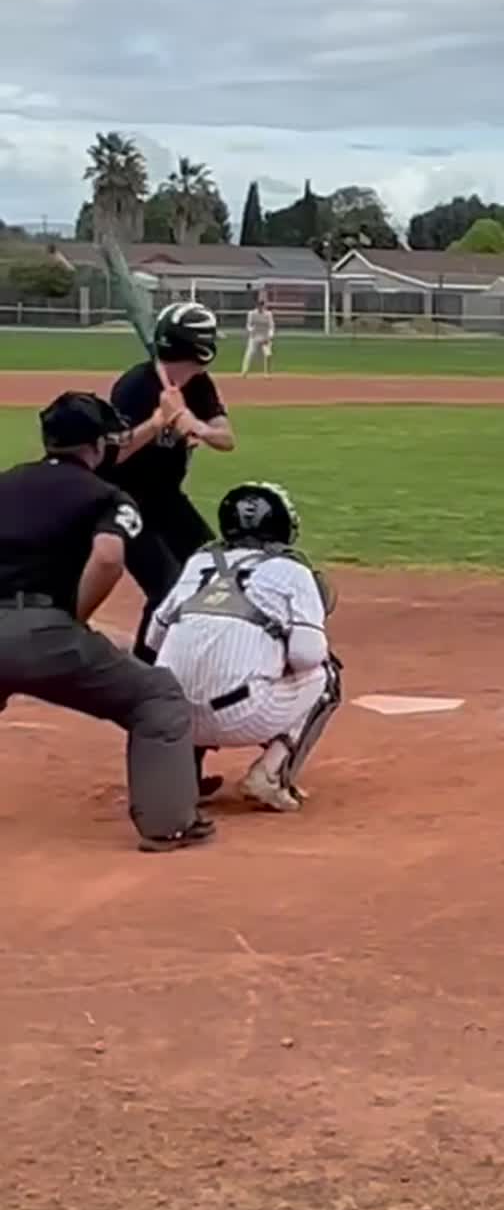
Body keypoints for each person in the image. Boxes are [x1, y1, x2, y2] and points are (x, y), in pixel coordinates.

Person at [0, 392, 213, 852]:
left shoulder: (5, 482)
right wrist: (74, 618)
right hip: (42, 631)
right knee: (157, 696)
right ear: (96, 446)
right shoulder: (107, 495)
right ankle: (167, 822)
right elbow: (110, 556)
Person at [146, 483, 342, 815]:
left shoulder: (198, 563)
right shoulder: (293, 570)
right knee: (327, 674)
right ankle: (270, 775)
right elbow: (307, 655)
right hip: (243, 715)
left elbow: (153, 639)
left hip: (173, 717)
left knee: (189, 670)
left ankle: (184, 778)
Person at [108, 302, 235, 664]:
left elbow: (227, 439)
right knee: (166, 587)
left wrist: (196, 425)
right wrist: (155, 422)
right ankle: (145, 669)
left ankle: (195, 654)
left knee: (216, 570)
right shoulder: (135, 387)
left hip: (167, 499)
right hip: (123, 502)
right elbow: (112, 454)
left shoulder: (198, 386)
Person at [242, 291, 275, 377]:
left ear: (263, 305)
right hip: (254, 337)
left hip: (265, 337)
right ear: (257, 305)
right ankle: (244, 371)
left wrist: (270, 335)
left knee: (268, 354)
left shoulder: (268, 314)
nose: (260, 306)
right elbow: (248, 325)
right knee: (250, 353)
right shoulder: (251, 314)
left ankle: (267, 373)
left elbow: (271, 326)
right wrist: (250, 330)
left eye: (262, 305)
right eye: (259, 305)